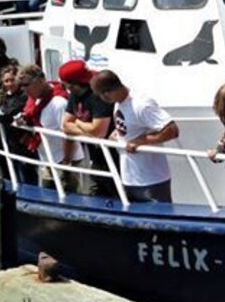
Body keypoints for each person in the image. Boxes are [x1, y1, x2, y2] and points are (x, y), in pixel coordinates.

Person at [90, 70, 178, 203]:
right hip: (130, 178)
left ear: (106, 94)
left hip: (151, 180)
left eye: (99, 95)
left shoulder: (141, 104)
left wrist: (142, 141)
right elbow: (129, 125)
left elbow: (172, 130)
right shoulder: (118, 103)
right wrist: (117, 135)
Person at [16, 64, 83, 192]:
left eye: (27, 84)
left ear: (41, 80)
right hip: (48, 159)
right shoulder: (34, 100)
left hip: (65, 161)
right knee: (47, 194)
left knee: (67, 198)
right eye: (21, 85)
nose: (24, 89)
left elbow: (69, 133)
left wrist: (67, 162)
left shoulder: (58, 103)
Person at [58, 60, 118, 198]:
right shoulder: (75, 95)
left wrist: (78, 123)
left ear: (73, 84)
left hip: (115, 160)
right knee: (93, 197)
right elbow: (66, 125)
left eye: (65, 84)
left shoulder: (98, 95)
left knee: (120, 198)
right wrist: (88, 129)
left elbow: (99, 131)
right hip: (96, 160)